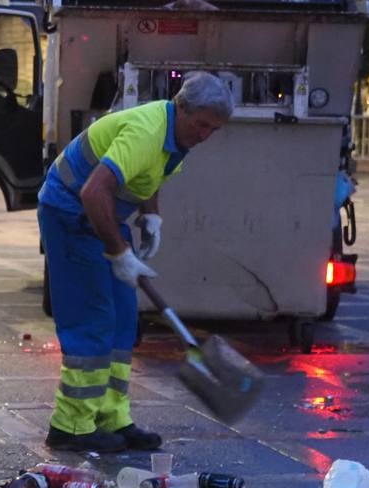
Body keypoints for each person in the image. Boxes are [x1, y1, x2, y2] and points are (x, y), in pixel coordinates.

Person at [38, 71, 233, 453]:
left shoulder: (175, 136)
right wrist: (120, 253)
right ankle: (71, 425)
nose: (205, 135)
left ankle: (112, 417)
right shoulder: (147, 131)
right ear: (181, 108)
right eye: (202, 125)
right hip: (70, 214)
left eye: (214, 129)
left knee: (124, 319)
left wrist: (151, 215)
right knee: (93, 319)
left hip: (101, 214)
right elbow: (93, 191)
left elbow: (146, 175)